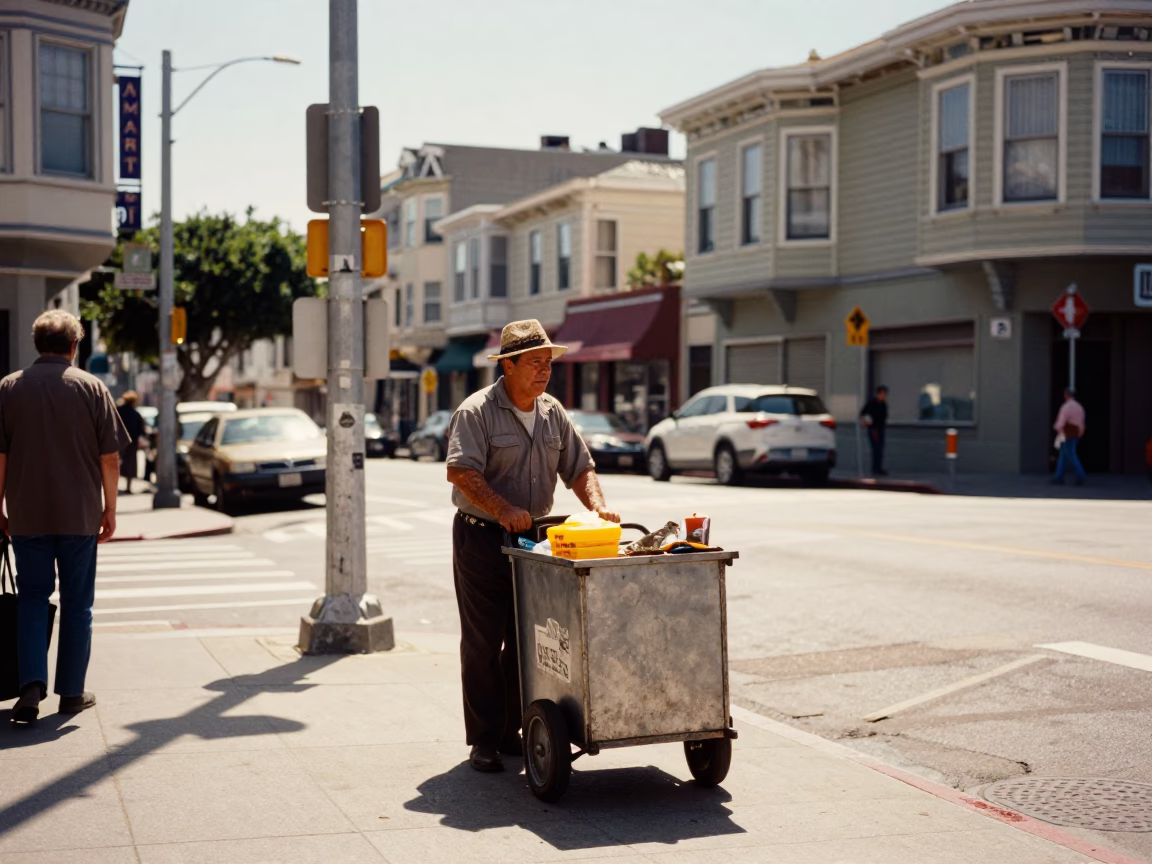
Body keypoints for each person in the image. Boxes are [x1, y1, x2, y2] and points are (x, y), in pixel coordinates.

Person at [445, 319, 620, 773]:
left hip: (532, 538)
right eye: (535, 363)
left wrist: (598, 509)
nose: (545, 371)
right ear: (509, 365)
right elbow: (461, 472)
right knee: (484, 642)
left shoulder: (552, 412)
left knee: (529, 640)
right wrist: (502, 508)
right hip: (482, 537)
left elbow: (580, 468)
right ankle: (483, 739)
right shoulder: (476, 411)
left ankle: (510, 731)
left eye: (548, 363)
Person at [0, 310, 130, 724]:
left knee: (32, 599)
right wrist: (110, 509)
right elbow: (110, 457)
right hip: (79, 516)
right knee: (78, 604)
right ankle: (71, 693)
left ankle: (30, 688)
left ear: (37, 344)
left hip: (27, 513)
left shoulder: (9, 388)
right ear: (75, 345)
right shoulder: (92, 388)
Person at [1052, 388, 1086, 486]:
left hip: (1067, 433)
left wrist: (1058, 430)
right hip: (1076, 434)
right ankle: (1058, 477)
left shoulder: (1066, 407)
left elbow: (1061, 422)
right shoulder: (1079, 407)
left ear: (1066, 395)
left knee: (1071, 455)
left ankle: (1081, 476)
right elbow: (1081, 422)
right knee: (1063, 455)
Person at [116, 391, 146, 494]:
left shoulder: (119, 411)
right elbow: (141, 429)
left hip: (119, 441)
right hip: (132, 443)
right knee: (130, 464)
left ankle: (114, 485)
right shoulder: (135, 413)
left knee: (116, 463)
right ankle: (128, 486)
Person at [859, 385, 889, 476]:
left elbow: (885, 416)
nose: (883, 396)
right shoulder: (872, 403)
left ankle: (879, 467)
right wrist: (866, 421)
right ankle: (875, 468)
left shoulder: (884, 404)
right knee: (876, 448)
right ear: (878, 394)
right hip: (873, 429)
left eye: (885, 394)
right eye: (882, 394)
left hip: (881, 428)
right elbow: (862, 413)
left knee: (880, 448)